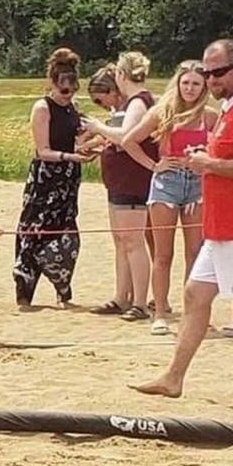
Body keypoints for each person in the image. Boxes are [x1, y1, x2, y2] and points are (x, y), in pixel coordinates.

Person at [132, 39, 233, 398]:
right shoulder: (232, 107)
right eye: (207, 73)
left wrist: (209, 164)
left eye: (218, 73)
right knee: (195, 294)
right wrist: (206, 157)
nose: (211, 80)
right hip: (223, 227)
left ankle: (173, 377)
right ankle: (173, 377)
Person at [121, 61, 218, 335]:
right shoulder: (162, 111)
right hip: (167, 183)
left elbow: (223, 145)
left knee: (195, 253)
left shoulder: (209, 116)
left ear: (203, 87)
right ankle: (160, 312)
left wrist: (207, 159)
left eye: (196, 84)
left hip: (196, 184)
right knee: (163, 254)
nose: (190, 88)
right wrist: (154, 165)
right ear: (178, 84)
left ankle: (193, 313)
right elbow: (129, 140)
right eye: (185, 83)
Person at [13, 48, 96, 309]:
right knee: (33, 230)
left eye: (71, 90)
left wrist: (92, 144)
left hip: (68, 180)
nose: (67, 95)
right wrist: (71, 157)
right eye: (63, 90)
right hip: (46, 177)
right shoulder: (42, 108)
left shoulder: (74, 108)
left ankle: (63, 291)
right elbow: (43, 151)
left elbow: (78, 141)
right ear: (52, 84)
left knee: (66, 231)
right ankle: (24, 292)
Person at [82, 52, 158, 322]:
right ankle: (121, 296)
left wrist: (98, 127)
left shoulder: (139, 101)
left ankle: (138, 301)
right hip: (120, 180)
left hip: (132, 180)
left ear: (122, 76)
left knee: (133, 241)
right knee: (121, 241)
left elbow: (126, 136)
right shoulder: (133, 103)